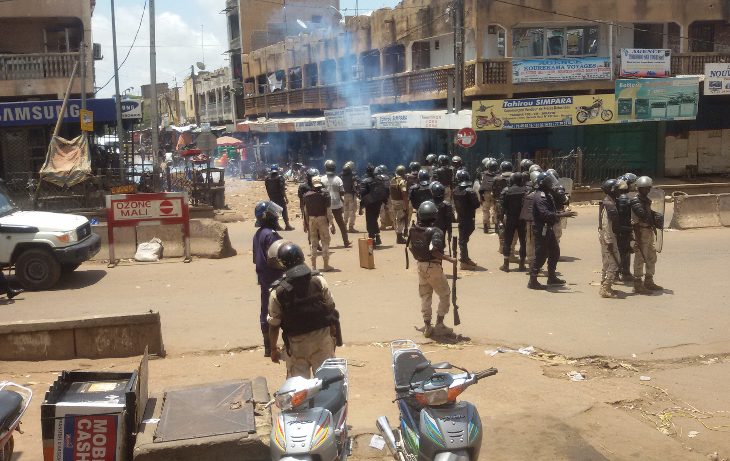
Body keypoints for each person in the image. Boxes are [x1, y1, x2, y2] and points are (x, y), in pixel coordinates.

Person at [268, 242, 340, 378]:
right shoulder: (319, 280)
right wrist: (332, 336)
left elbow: (274, 326)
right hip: (322, 341)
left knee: (299, 391)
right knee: (328, 385)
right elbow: (331, 309)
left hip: (297, 346)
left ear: (283, 264)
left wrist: (273, 349)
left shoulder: (277, 292)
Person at [407, 201, 457, 338]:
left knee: (425, 295)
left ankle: (427, 326)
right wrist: (449, 259)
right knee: (445, 294)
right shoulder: (436, 232)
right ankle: (439, 324)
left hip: (420, 266)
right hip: (433, 266)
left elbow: (411, 247)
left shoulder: (414, 229)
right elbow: (434, 250)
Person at [528, 172, 577, 290]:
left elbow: (552, 210)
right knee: (541, 255)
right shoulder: (540, 196)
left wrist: (560, 213)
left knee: (555, 252)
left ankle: (551, 277)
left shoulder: (547, 194)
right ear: (544, 183)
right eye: (549, 181)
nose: (552, 182)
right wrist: (562, 214)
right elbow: (544, 214)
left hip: (547, 228)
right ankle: (532, 281)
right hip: (541, 228)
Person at [252, 201, 285, 357]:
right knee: (281, 311)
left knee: (266, 310)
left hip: (263, 277)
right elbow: (279, 258)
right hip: (275, 278)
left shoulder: (258, 234)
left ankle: (267, 346)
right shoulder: (270, 235)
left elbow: (255, 258)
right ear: (267, 216)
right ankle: (283, 345)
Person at [630, 176, 664, 294]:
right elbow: (643, 215)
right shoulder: (635, 201)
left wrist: (656, 215)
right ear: (639, 189)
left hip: (648, 231)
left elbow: (648, 213)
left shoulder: (645, 200)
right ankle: (637, 283)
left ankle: (649, 280)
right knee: (640, 257)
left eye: (648, 188)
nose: (647, 190)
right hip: (640, 231)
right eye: (645, 188)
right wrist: (653, 218)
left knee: (651, 256)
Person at [304, 176, 335, 271]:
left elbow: (305, 211)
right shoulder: (325, 194)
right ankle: (326, 265)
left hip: (311, 219)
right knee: (325, 241)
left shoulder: (307, 195)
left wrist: (306, 223)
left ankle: (313, 266)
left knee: (313, 242)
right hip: (322, 219)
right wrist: (331, 223)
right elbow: (328, 210)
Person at [452, 170, 480, 269]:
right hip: (469, 218)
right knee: (463, 240)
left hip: (461, 217)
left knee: (463, 239)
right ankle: (464, 260)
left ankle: (464, 258)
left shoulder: (455, 190)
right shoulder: (469, 190)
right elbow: (477, 204)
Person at [499, 172, 527, 272]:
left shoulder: (506, 191)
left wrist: (501, 220)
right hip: (523, 219)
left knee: (508, 241)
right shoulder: (526, 190)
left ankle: (506, 265)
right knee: (523, 242)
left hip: (510, 218)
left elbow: (502, 207)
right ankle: (522, 264)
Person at [598, 179, 621, 298]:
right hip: (608, 237)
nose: (619, 191)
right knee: (615, 262)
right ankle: (606, 287)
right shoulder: (609, 205)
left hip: (605, 236)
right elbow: (606, 224)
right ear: (612, 190)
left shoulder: (608, 201)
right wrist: (609, 241)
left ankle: (603, 282)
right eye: (617, 189)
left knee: (606, 262)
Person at [321, 159, 350, 248]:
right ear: (334, 168)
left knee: (323, 225)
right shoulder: (338, 179)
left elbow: (319, 191)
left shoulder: (322, 179)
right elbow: (342, 192)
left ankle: (322, 244)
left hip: (325, 205)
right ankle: (346, 242)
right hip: (336, 204)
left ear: (326, 168)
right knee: (341, 224)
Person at [359, 164, 387, 246]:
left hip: (369, 204)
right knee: (374, 220)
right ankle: (377, 237)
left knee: (370, 222)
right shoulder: (379, 180)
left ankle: (372, 241)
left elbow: (363, 195)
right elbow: (383, 192)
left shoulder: (364, 181)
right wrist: (385, 203)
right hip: (378, 203)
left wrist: (361, 207)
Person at [519, 171, 540, 274]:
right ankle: (533, 266)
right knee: (532, 243)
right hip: (534, 222)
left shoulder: (529, 194)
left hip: (534, 222)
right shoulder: (532, 194)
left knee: (531, 243)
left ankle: (533, 265)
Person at [264, 164, 295, 231]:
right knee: (284, 211)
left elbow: (267, 189)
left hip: (272, 197)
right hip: (280, 197)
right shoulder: (280, 177)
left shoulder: (267, 178)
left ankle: (277, 225)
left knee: (274, 211)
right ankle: (287, 225)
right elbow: (282, 189)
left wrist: (270, 197)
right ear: (277, 170)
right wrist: (286, 198)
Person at [614, 179, 634, 281]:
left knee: (621, 251)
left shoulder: (618, 199)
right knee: (624, 251)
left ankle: (619, 272)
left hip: (621, 229)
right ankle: (623, 272)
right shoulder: (625, 199)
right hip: (625, 229)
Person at [492, 161, 513, 252]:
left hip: (499, 204)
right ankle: (510, 246)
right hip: (513, 204)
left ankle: (502, 246)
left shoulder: (496, 179)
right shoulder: (515, 177)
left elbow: (493, 191)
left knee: (500, 224)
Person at [390, 165, 410, 244]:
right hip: (400, 202)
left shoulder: (392, 180)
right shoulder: (402, 181)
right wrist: (406, 205)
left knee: (396, 219)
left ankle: (398, 234)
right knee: (401, 219)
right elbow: (404, 193)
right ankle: (399, 237)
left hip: (393, 201)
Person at [431, 181, 455, 245]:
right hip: (441, 230)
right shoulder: (447, 205)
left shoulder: (428, 204)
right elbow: (448, 221)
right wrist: (449, 233)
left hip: (430, 229)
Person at [479, 159, 499, 233]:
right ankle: (496, 226)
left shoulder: (485, 175)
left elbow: (482, 187)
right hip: (496, 193)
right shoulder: (498, 175)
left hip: (486, 193)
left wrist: (481, 197)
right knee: (496, 210)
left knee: (485, 210)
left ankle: (485, 226)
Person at [298, 168, 319, 233]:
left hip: (307, 208)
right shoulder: (319, 186)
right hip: (314, 208)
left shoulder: (302, 186)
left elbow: (300, 197)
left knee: (308, 223)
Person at [341, 161, 359, 232]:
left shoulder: (341, 175)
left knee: (345, 211)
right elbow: (356, 185)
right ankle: (351, 227)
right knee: (352, 211)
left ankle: (344, 226)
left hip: (344, 195)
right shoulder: (353, 176)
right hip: (351, 195)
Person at [375, 165, 393, 231]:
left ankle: (383, 225)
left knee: (382, 210)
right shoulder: (389, 177)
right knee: (390, 210)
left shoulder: (378, 178)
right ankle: (394, 224)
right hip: (388, 196)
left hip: (381, 196)